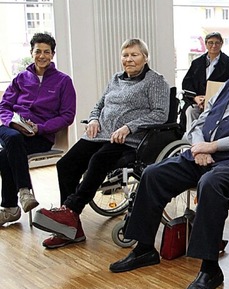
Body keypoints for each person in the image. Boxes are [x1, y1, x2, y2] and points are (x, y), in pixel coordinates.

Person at [108, 29, 229, 289]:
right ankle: (145, 247)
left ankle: (209, 267)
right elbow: (201, 119)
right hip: (201, 151)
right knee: (154, 174)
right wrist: (197, 145)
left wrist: (214, 146)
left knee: (210, 183)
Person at [31, 38, 170, 248]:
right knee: (66, 164)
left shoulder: (155, 81)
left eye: (134, 55)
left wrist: (129, 127)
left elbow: (160, 114)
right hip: (100, 133)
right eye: (125, 55)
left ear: (145, 57)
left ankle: (70, 211)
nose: (129, 59)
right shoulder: (115, 79)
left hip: (128, 139)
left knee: (98, 160)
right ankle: (71, 229)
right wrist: (94, 119)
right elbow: (99, 105)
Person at [0, 33, 76, 225]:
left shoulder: (63, 81)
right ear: (31, 53)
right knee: (13, 139)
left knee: (4, 156)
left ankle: (10, 208)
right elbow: (4, 106)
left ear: (52, 55)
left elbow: (67, 115)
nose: (42, 56)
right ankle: (25, 191)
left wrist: (40, 128)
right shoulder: (21, 78)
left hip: (39, 135)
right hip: (10, 128)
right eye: (38, 51)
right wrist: (11, 122)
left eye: (46, 52)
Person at [180, 32, 229, 133]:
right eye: (210, 43)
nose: (214, 46)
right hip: (198, 101)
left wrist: (211, 99)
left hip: (219, 102)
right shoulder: (197, 63)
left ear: (221, 44)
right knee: (190, 111)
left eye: (217, 43)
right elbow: (187, 83)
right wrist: (196, 98)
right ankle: (192, 141)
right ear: (206, 44)